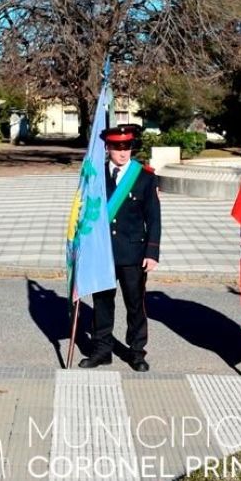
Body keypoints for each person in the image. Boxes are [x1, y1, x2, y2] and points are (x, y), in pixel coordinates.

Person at [79, 124, 162, 372]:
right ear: (108, 148)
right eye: (117, 147)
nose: (123, 152)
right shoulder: (94, 175)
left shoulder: (144, 176)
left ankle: (136, 353)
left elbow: (154, 218)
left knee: (135, 304)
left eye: (127, 147)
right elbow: (84, 212)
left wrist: (152, 252)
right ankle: (102, 350)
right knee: (102, 303)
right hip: (103, 252)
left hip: (133, 253)